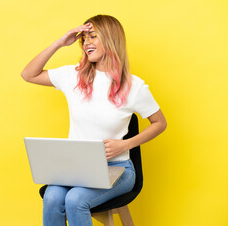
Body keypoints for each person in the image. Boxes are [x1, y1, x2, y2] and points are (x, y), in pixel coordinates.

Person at [21, 14, 167, 226]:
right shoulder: (73, 76)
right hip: (75, 168)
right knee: (52, 197)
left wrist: (125, 144)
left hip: (118, 168)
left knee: (75, 199)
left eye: (92, 36)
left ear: (110, 39)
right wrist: (60, 43)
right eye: (83, 38)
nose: (86, 42)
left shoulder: (134, 86)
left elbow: (160, 123)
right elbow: (28, 74)